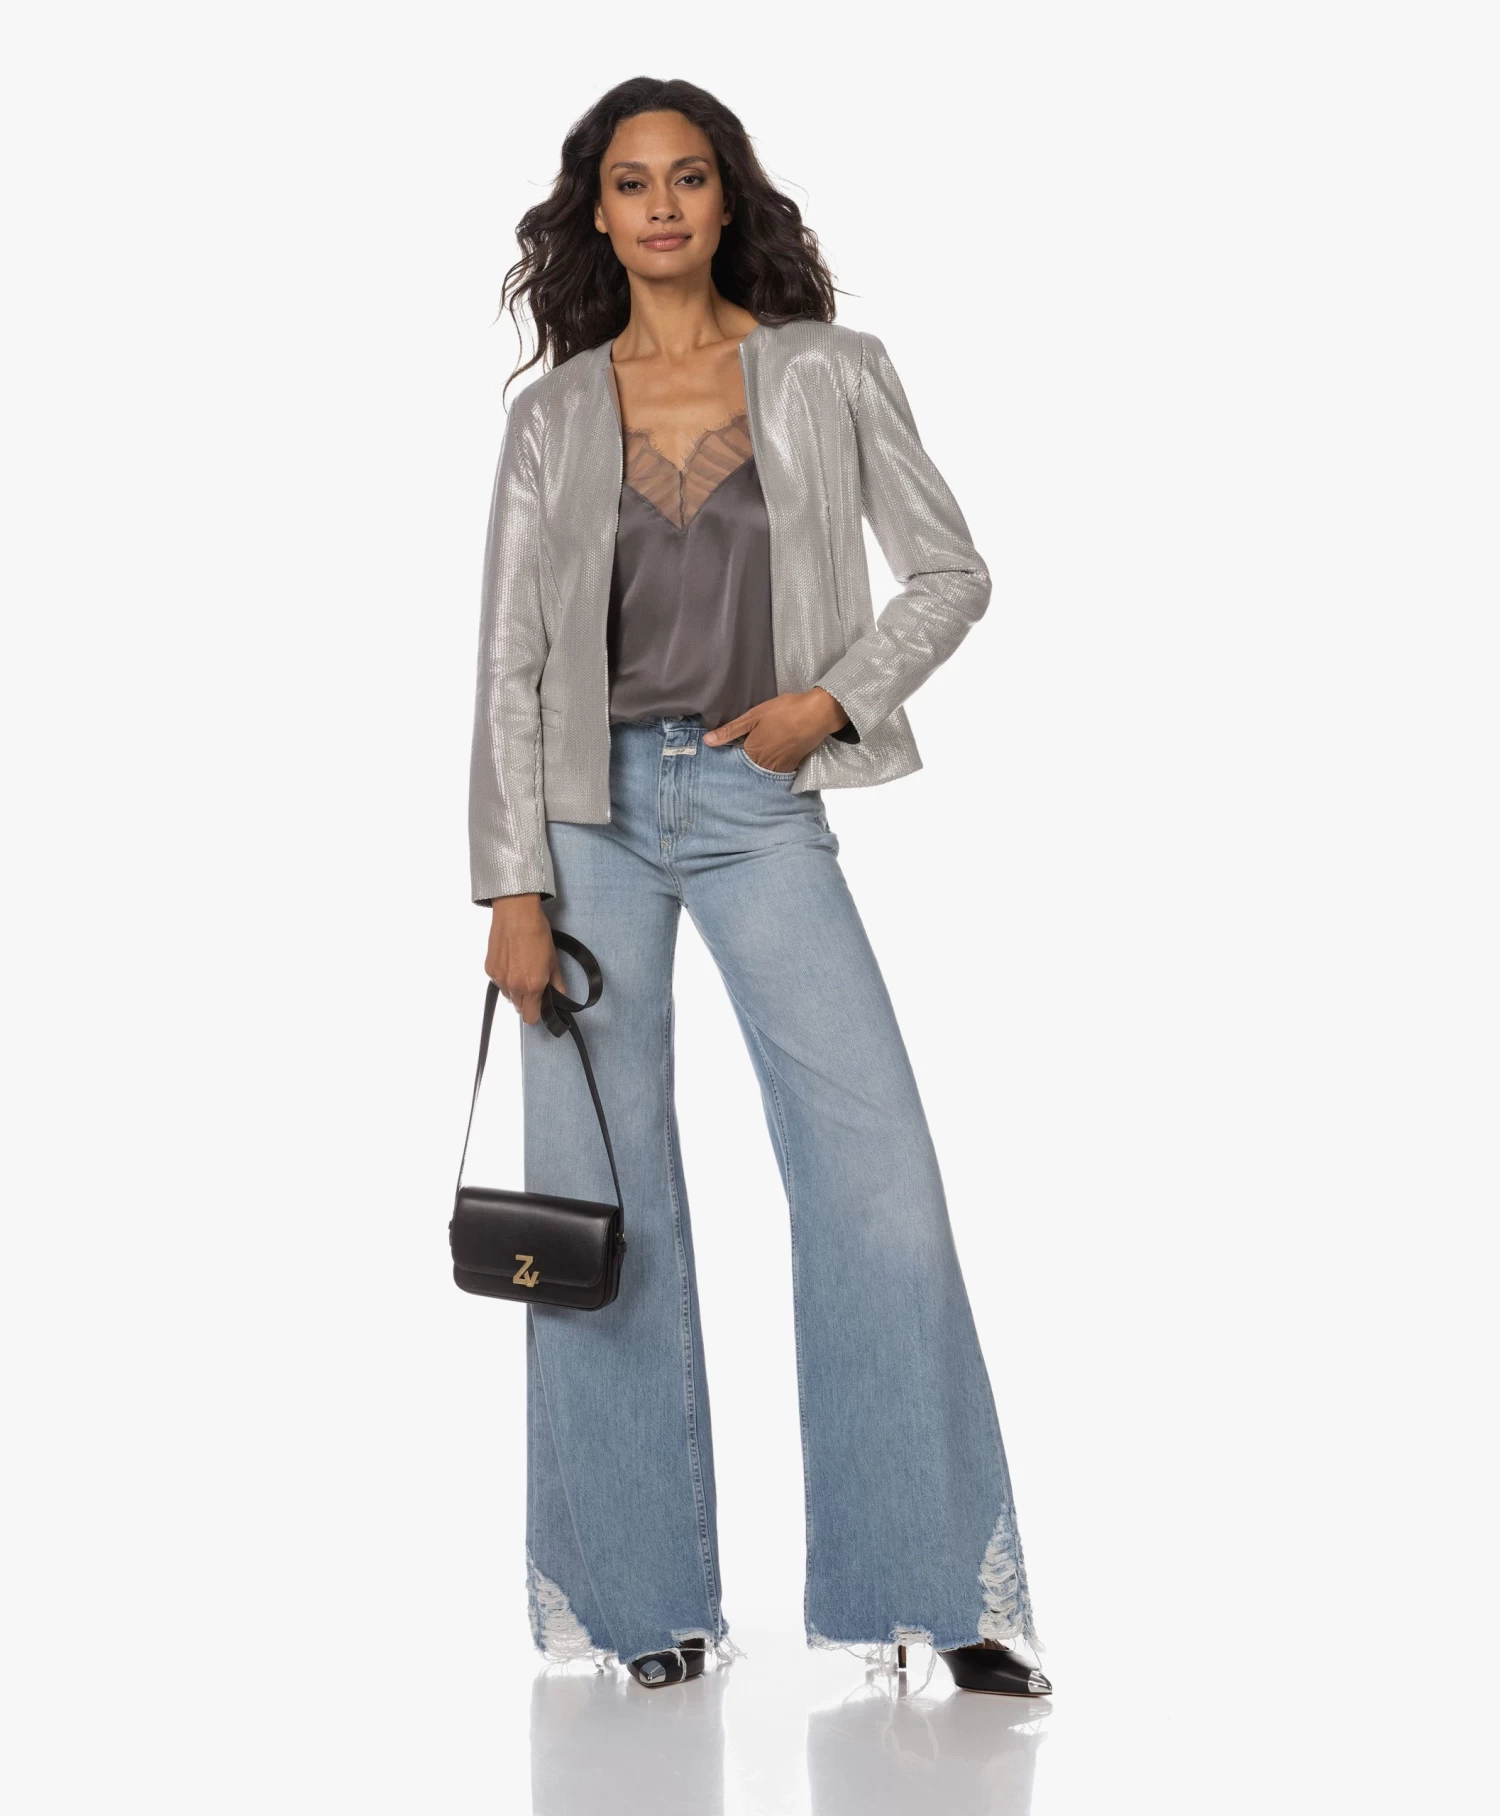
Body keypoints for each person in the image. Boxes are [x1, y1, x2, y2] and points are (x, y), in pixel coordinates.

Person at [469, 76, 1050, 1699]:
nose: (661, 206)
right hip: (582, 818)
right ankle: (636, 1600)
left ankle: (930, 1587)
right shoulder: (552, 416)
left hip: (754, 794)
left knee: (877, 1183)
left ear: (728, 198)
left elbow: (951, 571)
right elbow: (511, 660)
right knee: (604, 1198)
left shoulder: (827, 373)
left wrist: (830, 702)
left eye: (689, 177)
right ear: (597, 211)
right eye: (632, 182)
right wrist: (511, 885)